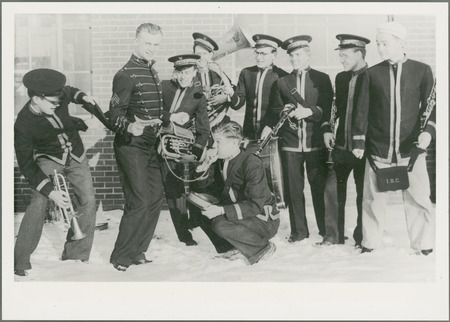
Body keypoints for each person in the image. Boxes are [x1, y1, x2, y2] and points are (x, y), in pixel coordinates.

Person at [352, 22, 435, 254]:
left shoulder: (422, 70)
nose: (380, 48)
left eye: (384, 43)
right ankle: (371, 243)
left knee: (418, 198)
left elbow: (432, 107)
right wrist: (358, 142)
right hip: (378, 149)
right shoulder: (371, 74)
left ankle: (423, 244)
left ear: (400, 42)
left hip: (412, 149)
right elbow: (361, 111)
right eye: (378, 43)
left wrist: (428, 132)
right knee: (373, 200)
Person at [14, 68, 97, 276]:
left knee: (88, 200)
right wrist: (50, 191)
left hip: (76, 154)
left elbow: (70, 92)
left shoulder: (57, 95)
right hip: (48, 158)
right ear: (35, 98)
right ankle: (20, 261)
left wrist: (84, 97)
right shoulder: (23, 124)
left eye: (58, 101)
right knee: (38, 201)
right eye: (52, 103)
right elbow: (26, 164)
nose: (57, 104)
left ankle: (76, 255)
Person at [264, 35, 333, 243]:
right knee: (294, 191)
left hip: (315, 143)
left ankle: (324, 230)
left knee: (318, 188)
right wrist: (283, 110)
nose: (294, 58)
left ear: (308, 54)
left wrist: (309, 111)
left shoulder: (322, 79)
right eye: (291, 55)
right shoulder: (282, 82)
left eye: (298, 54)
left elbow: (328, 109)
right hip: (291, 143)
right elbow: (273, 110)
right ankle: (299, 232)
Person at [108, 23, 164, 271]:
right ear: (136, 42)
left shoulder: (152, 71)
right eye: (147, 43)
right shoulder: (125, 74)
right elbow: (114, 114)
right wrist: (129, 127)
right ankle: (121, 256)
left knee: (155, 198)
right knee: (139, 201)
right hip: (130, 145)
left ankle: (138, 250)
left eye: (155, 44)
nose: (152, 49)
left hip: (150, 145)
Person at [193, 121, 279, 264]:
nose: (214, 146)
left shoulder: (251, 163)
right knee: (199, 207)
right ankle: (230, 249)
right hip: (243, 215)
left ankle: (262, 248)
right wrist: (205, 165)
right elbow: (207, 189)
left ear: (234, 142)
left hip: (263, 219)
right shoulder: (221, 161)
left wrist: (221, 211)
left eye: (218, 142)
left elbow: (256, 205)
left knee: (220, 224)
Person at [318, 34, 370, 246]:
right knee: (332, 192)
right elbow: (334, 109)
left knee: (362, 196)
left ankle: (361, 237)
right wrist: (327, 129)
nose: (342, 60)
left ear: (359, 53)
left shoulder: (374, 76)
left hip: (363, 149)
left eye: (345, 56)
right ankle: (334, 236)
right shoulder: (340, 78)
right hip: (340, 147)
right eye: (340, 56)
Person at [159, 54, 210, 246]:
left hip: (174, 150)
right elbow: (148, 110)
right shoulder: (163, 86)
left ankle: (184, 235)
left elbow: (204, 130)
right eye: (179, 72)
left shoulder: (198, 96)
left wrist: (194, 154)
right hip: (150, 146)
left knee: (176, 192)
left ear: (195, 72)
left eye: (187, 73)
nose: (182, 77)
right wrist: (170, 117)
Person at [229, 34, 288, 141]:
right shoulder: (246, 73)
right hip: (249, 134)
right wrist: (231, 93)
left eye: (263, 54)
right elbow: (237, 105)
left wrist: (271, 126)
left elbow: (283, 109)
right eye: (257, 53)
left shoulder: (282, 76)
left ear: (274, 54)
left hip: (273, 134)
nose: (258, 57)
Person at [192, 32, 234, 127]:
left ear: (211, 55)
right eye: (198, 54)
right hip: (195, 123)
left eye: (205, 53)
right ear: (193, 54)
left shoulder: (218, 73)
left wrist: (225, 98)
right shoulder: (188, 74)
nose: (202, 57)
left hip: (219, 123)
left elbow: (233, 92)